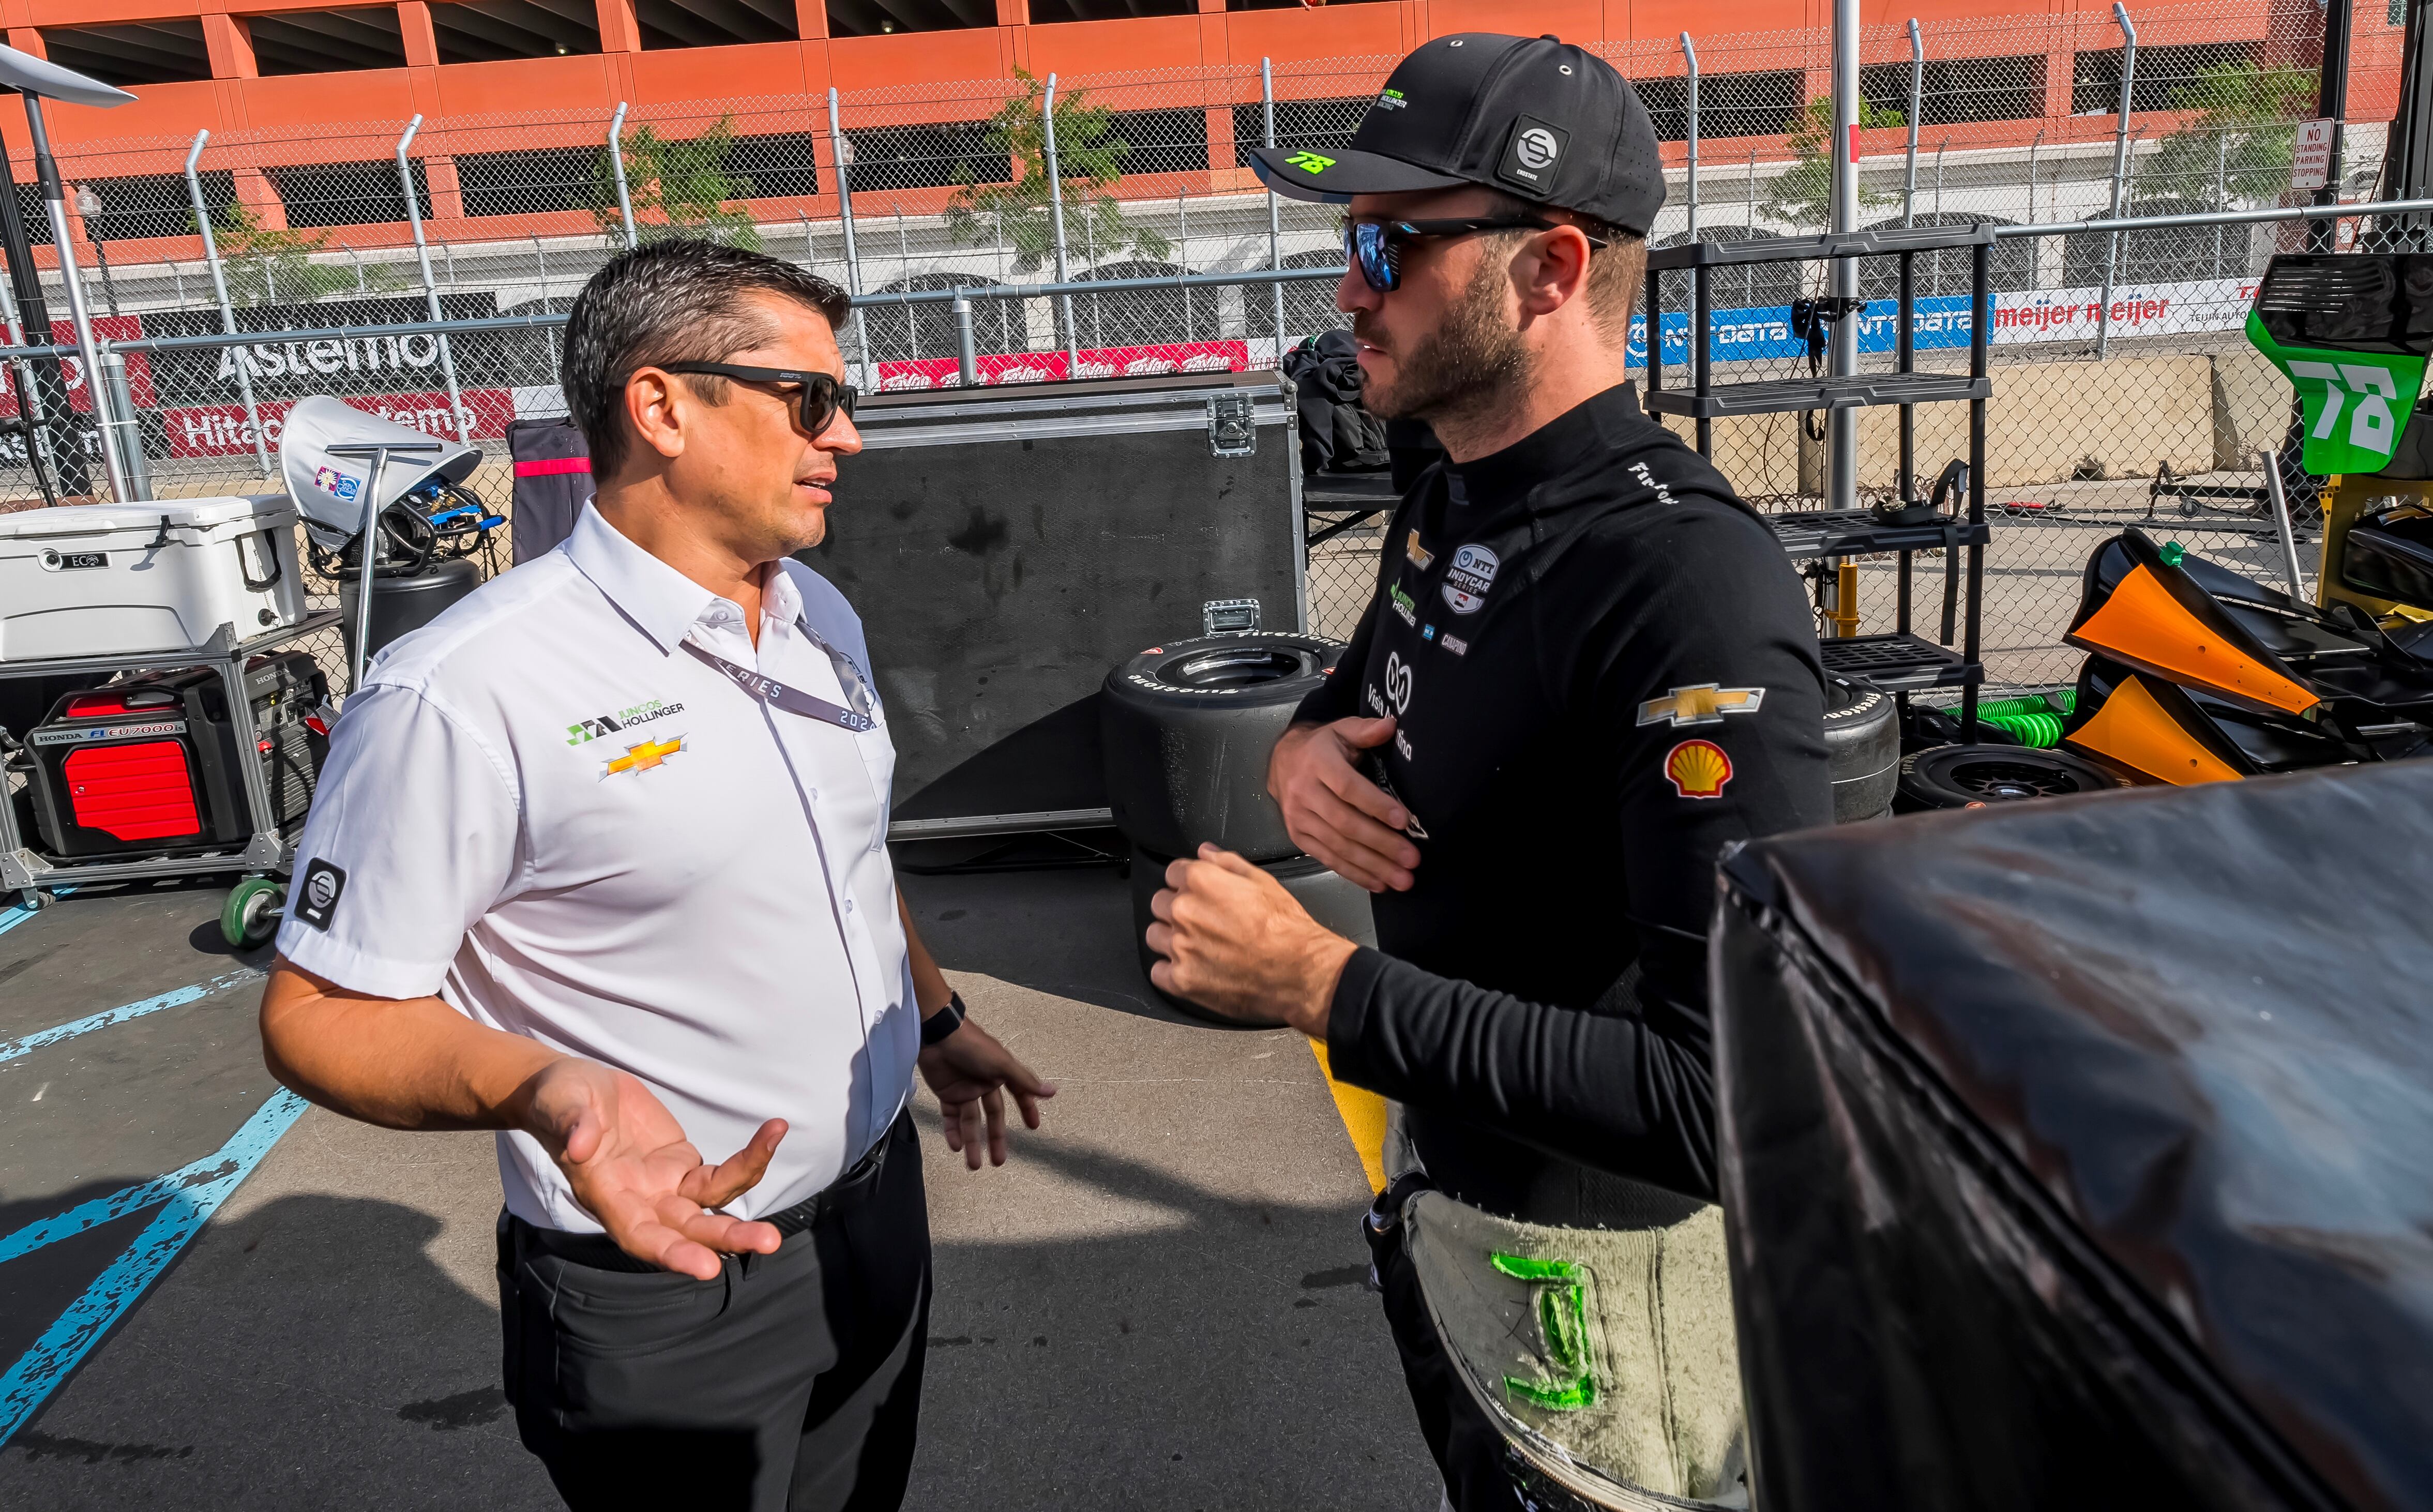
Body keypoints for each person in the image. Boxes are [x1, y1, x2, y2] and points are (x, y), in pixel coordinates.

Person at [258, 240, 1054, 1512]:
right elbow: (317, 1013)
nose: (844, 437)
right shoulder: (463, 695)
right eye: (810, 399)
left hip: (874, 1214)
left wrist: (937, 1020)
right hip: (668, 1286)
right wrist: (553, 1094)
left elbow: (841, 852)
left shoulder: (815, 615)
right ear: (662, 406)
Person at [1146, 33, 1831, 1511]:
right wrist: (1298, 740)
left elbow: (1721, 1104)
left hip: (1609, 1307)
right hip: (1455, 1207)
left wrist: (1317, 989)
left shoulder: (1685, 588)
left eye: (1392, 243)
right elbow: (1384, 666)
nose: (1348, 287)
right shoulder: (1451, 479)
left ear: (1551, 269)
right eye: (1349, 242)